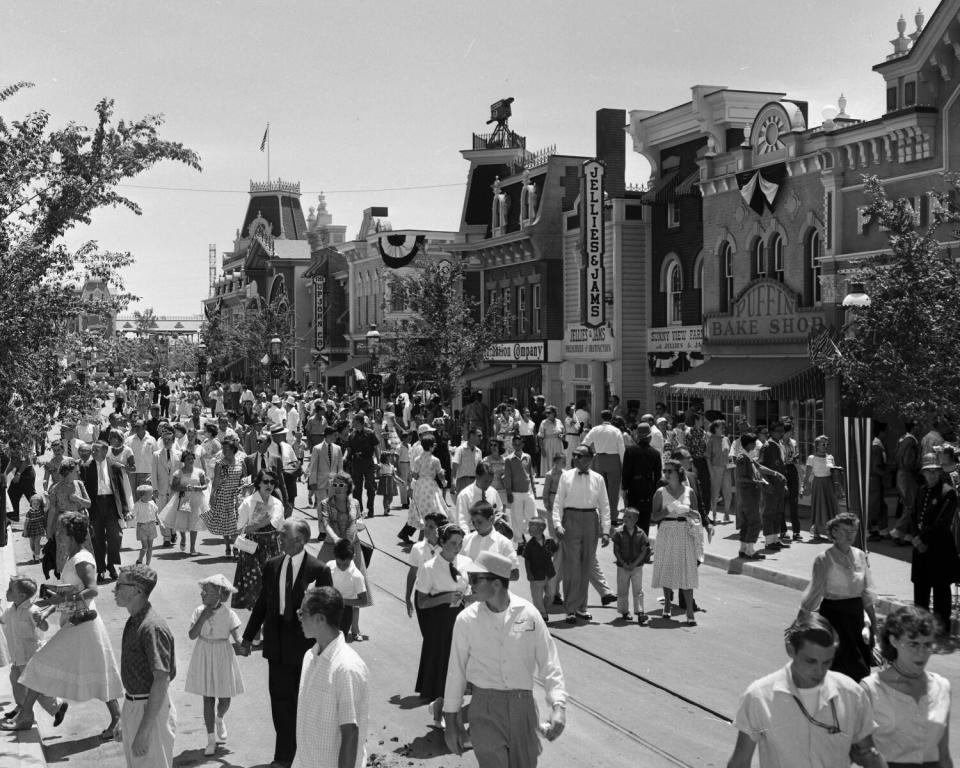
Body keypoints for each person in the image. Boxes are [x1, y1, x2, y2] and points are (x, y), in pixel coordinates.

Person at [443, 550, 567, 766]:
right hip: (484, 709)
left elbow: (549, 662)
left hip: (523, 708)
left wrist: (558, 706)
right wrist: (452, 721)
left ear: (496, 584)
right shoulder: (466, 620)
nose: (469, 584)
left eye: (475, 579)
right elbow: (456, 671)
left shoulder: (529, 614)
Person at [4, 513, 122, 738]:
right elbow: (69, 590)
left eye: (61, 529)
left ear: (70, 533)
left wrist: (56, 600)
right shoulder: (74, 556)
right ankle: (117, 718)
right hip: (78, 623)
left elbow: (92, 589)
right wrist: (48, 609)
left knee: (39, 663)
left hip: (83, 624)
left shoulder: (82, 559)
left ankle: (26, 715)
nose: (58, 533)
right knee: (99, 670)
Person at [727, 614, 886, 768]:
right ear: (790, 650)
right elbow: (740, 762)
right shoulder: (759, 696)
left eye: (827, 662)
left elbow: (870, 754)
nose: (819, 670)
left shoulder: (852, 694)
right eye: (810, 661)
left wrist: (871, 758)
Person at [239, 518, 331, 768]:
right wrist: (248, 638)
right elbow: (263, 603)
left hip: (305, 648)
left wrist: (328, 648)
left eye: (283, 536)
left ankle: (308, 755)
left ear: (300, 541)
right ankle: (283, 757)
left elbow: (329, 613)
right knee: (280, 702)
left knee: (305, 703)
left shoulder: (318, 570)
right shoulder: (272, 565)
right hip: (277, 645)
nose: (278, 540)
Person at [860, 605, 952, 766]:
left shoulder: (942, 687)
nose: (922, 652)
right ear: (894, 640)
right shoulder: (871, 689)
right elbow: (861, 751)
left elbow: (943, 753)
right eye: (913, 644)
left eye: (928, 644)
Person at [292, 586, 370, 768]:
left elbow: (350, 733)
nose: (299, 619)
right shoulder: (310, 657)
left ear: (320, 618)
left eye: (302, 613)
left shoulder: (346, 668)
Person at [799, 512, 878, 682]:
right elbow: (814, 591)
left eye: (853, 531)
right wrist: (802, 618)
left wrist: (875, 627)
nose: (849, 535)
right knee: (836, 668)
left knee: (861, 668)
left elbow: (866, 593)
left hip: (855, 616)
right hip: (834, 617)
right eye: (844, 531)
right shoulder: (824, 559)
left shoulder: (860, 555)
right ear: (833, 532)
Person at [113, 563, 177, 766]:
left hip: (150, 711)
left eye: (120, 585)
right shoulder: (135, 620)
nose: (115, 590)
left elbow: (161, 680)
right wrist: (125, 718)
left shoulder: (151, 627)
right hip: (135, 705)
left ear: (137, 590)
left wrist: (143, 730)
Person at [415, 523, 471, 727]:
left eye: (460, 544)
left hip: (462, 619)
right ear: (442, 543)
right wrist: (444, 597)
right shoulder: (429, 568)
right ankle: (439, 713)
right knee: (443, 668)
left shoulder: (466, 563)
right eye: (453, 544)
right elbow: (422, 602)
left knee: (461, 667)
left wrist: (469, 598)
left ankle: (452, 708)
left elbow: (470, 589)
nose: (457, 548)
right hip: (440, 623)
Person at [552, 444, 612, 625]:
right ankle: (570, 608)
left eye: (579, 456)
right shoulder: (565, 476)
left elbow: (605, 505)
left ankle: (581, 608)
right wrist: (557, 524)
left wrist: (606, 530)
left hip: (590, 520)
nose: (575, 458)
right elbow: (558, 502)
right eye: (575, 455)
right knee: (571, 566)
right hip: (570, 519)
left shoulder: (598, 478)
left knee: (586, 564)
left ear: (589, 459)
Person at [185, 573, 244, 757]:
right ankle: (210, 739)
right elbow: (192, 635)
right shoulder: (198, 611)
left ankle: (220, 718)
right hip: (204, 653)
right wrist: (203, 617)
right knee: (208, 698)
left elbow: (238, 638)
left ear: (219, 595)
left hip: (222, 655)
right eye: (203, 591)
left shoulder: (229, 614)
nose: (203, 594)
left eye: (207, 592)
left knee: (225, 698)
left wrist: (246, 644)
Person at [0, 575, 67, 727]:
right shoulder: (11, 610)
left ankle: (57, 705)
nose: (7, 591)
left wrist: (41, 621)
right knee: (15, 680)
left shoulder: (32, 610)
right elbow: (2, 620)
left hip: (30, 656)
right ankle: (22, 709)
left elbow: (44, 627)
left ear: (22, 596)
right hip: (17, 656)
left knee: (35, 688)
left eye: (11, 589)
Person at [910, 453, 960, 631]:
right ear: (923, 473)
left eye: (935, 472)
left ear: (939, 472)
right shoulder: (921, 490)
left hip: (939, 548)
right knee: (920, 589)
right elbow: (914, 516)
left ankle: (941, 626)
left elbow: (941, 522)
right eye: (928, 472)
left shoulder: (948, 492)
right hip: (920, 547)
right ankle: (921, 625)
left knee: (941, 591)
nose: (931, 475)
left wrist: (922, 540)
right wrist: (915, 538)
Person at [651, 459, 703, 626]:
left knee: (687, 571)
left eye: (669, 471)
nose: (666, 474)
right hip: (667, 531)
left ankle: (689, 610)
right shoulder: (660, 492)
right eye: (664, 471)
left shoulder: (689, 492)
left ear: (678, 473)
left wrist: (688, 511)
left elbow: (697, 514)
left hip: (684, 531)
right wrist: (670, 508)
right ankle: (667, 603)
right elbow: (654, 516)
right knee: (667, 567)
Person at [317, 472, 372, 616]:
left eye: (341, 485)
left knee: (355, 588)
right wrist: (336, 539)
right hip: (331, 547)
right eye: (334, 484)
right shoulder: (325, 504)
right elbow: (325, 523)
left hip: (352, 548)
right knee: (323, 586)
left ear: (348, 486)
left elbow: (358, 521)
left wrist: (360, 524)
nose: (337, 487)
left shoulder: (355, 503)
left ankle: (355, 627)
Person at [232, 470, 285, 610]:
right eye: (266, 481)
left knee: (271, 590)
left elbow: (279, 527)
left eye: (272, 482)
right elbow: (239, 530)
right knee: (255, 592)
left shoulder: (277, 503)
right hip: (252, 549)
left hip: (272, 548)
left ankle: (267, 627)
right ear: (259, 483)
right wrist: (260, 524)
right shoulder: (248, 502)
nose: (269, 485)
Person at [82, 440, 131, 582]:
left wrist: (125, 509)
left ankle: (111, 565)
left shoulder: (114, 466)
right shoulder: (86, 467)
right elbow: (83, 489)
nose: (93, 452)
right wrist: (84, 508)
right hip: (95, 506)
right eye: (93, 450)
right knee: (97, 539)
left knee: (115, 537)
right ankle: (101, 568)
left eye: (96, 450)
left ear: (105, 451)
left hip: (111, 504)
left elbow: (121, 489)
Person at [159, 450, 208, 556]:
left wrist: (198, 488)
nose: (190, 461)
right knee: (181, 521)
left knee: (194, 523)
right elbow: (174, 487)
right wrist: (185, 487)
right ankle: (183, 538)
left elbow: (205, 486)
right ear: (183, 460)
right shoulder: (178, 473)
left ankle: (192, 547)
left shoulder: (200, 472)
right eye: (187, 459)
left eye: (191, 459)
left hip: (196, 499)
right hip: (183, 499)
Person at [582, 410, 625, 527]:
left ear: (601, 418)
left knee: (600, 490)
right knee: (613, 491)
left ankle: (602, 518)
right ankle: (613, 518)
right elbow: (621, 449)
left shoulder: (595, 429)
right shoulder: (616, 431)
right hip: (614, 460)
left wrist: (590, 456)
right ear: (611, 418)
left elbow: (584, 443)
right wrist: (623, 464)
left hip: (599, 459)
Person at [405, 511, 446, 626]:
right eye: (426, 525)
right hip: (422, 594)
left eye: (431, 526)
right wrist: (408, 597)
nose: (426, 529)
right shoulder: (417, 548)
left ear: (440, 529)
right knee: (426, 631)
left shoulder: (447, 549)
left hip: (442, 593)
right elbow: (412, 573)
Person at [621, 423, 662, 534]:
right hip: (648, 490)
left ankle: (631, 545)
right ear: (650, 437)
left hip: (633, 489)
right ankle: (644, 546)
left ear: (638, 436)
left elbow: (626, 472)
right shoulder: (655, 454)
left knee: (631, 520)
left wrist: (624, 489)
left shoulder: (629, 451)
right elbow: (658, 477)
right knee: (645, 521)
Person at [462, 500, 520, 579]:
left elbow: (514, 574)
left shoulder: (504, 543)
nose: (476, 526)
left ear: (491, 519)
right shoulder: (466, 540)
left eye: (479, 522)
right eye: (473, 522)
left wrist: (490, 575)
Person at [613, 506, 651, 625]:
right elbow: (616, 550)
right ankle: (624, 611)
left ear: (635, 520)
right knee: (622, 589)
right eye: (625, 516)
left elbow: (644, 550)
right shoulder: (619, 533)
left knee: (638, 590)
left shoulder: (641, 533)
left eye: (629, 517)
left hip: (637, 567)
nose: (625, 518)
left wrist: (634, 563)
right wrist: (623, 563)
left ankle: (640, 612)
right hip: (622, 567)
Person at [206, 435, 242, 558]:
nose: (225, 451)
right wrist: (212, 496)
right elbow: (215, 481)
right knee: (225, 523)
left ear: (233, 450)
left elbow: (244, 479)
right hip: (223, 496)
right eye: (224, 449)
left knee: (235, 524)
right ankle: (227, 547)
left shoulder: (240, 462)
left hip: (236, 497)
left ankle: (236, 549)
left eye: (227, 449)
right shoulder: (220, 464)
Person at [735, 433, 767, 561]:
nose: (755, 445)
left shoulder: (748, 457)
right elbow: (741, 478)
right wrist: (756, 482)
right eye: (754, 443)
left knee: (747, 522)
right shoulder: (743, 458)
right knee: (755, 522)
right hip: (748, 495)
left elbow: (758, 467)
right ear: (749, 444)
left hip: (749, 495)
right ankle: (750, 550)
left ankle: (743, 549)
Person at [328, 539, 368, 640]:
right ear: (335, 557)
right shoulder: (329, 566)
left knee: (337, 642)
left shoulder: (357, 576)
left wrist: (341, 601)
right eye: (339, 563)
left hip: (344, 613)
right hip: (327, 608)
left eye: (345, 564)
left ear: (353, 557)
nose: (342, 567)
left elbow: (363, 600)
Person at [802, 435, 839, 540]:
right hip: (818, 483)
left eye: (827, 444)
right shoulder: (811, 458)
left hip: (829, 483)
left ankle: (830, 532)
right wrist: (803, 486)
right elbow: (807, 473)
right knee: (819, 506)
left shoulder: (830, 457)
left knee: (830, 507)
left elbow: (833, 472)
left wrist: (837, 484)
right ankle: (816, 531)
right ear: (817, 446)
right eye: (823, 444)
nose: (825, 446)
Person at [344, 414, 380, 519]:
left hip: (368, 462)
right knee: (357, 488)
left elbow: (376, 447)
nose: (352, 423)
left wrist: (378, 461)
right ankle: (359, 511)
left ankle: (370, 509)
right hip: (356, 463)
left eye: (354, 421)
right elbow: (349, 449)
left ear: (359, 422)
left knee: (370, 486)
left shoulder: (370, 433)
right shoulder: (352, 435)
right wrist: (345, 458)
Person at [504, 434, 537, 546]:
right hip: (515, 493)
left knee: (531, 516)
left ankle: (533, 538)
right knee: (517, 517)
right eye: (515, 444)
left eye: (519, 444)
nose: (517, 446)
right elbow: (507, 476)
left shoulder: (527, 457)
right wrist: (509, 492)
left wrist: (534, 490)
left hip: (528, 492)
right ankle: (520, 542)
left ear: (523, 444)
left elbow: (531, 474)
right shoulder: (508, 459)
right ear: (512, 444)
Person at [523, 517, 557, 621]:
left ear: (542, 528)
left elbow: (555, 548)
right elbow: (527, 560)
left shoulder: (549, 541)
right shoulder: (529, 544)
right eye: (529, 526)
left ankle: (543, 609)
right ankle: (542, 614)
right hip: (536, 575)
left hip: (549, 573)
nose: (529, 529)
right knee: (537, 597)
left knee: (551, 594)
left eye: (532, 526)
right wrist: (529, 574)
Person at [151, 430, 181, 547]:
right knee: (162, 513)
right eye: (165, 440)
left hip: (175, 488)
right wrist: (154, 489)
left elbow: (181, 472)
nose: (167, 441)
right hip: (161, 488)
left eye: (169, 439)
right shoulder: (156, 454)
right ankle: (166, 537)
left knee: (173, 513)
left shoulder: (179, 454)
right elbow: (153, 473)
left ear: (173, 441)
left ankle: (173, 532)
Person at [454, 461, 502, 530]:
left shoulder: (493, 492)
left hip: (491, 533)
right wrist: (469, 538)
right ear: (477, 476)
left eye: (490, 481)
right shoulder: (464, 495)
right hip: (473, 532)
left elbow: (499, 511)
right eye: (485, 481)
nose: (488, 484)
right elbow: (462, 521)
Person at [411, 433, 448, 523]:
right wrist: (444, 482)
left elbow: (415, 475)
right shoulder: (435, 460)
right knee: (434, 506)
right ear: (431, 446)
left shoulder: (417, 459)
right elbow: (440, 474)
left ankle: (422, 528)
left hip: (420, 485)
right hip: (431, 485)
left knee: (421, 507)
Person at [132, 483, 160, 565]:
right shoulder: (137, 505)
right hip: (142, 527)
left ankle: (148, 565)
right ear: (142, 496)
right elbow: (133, 514)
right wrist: (130, 516)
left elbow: (156, 513)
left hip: (151, 526)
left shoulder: (152, 503)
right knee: (145, 547)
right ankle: (140, 560)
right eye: (149, 494)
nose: (151, 496)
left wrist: (160, 522)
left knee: (150, 547)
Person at [452, 428, 484, 495]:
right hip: (462, 482)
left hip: (475, 482)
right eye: (479, 435)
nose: (481, 438)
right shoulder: (460, 449)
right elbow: (454, 466)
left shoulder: (479, 451)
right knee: (463, 504)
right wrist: (453, 481)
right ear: (472, 436)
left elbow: (480, 469)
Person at [538, 406, 566, 477]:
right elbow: (540, 436)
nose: (547, 414)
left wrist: (561, 436)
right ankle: (549, 478)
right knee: (548, 461)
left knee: (558, 459)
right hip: (547, 444)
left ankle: (559, 477)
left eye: (549, 412)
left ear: (554, 413)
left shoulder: (559, 421)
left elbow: (562, 434)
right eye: (546, 413)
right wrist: (542, 448)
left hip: (558, 443)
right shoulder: (543, 422)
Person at [23, 493, 46, 562]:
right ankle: (34, 553)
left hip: (39, 529)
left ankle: (37, 558)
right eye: (34, 504)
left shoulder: (41, 511)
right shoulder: (29, 513)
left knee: (37, 542)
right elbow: (26, 523)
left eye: (37, 504)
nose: (36, 505)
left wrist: (47, 497)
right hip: (31, 529)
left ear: (40, 504)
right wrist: (25, 530)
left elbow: (47, 507)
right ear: (31, 504)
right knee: (32, 543)